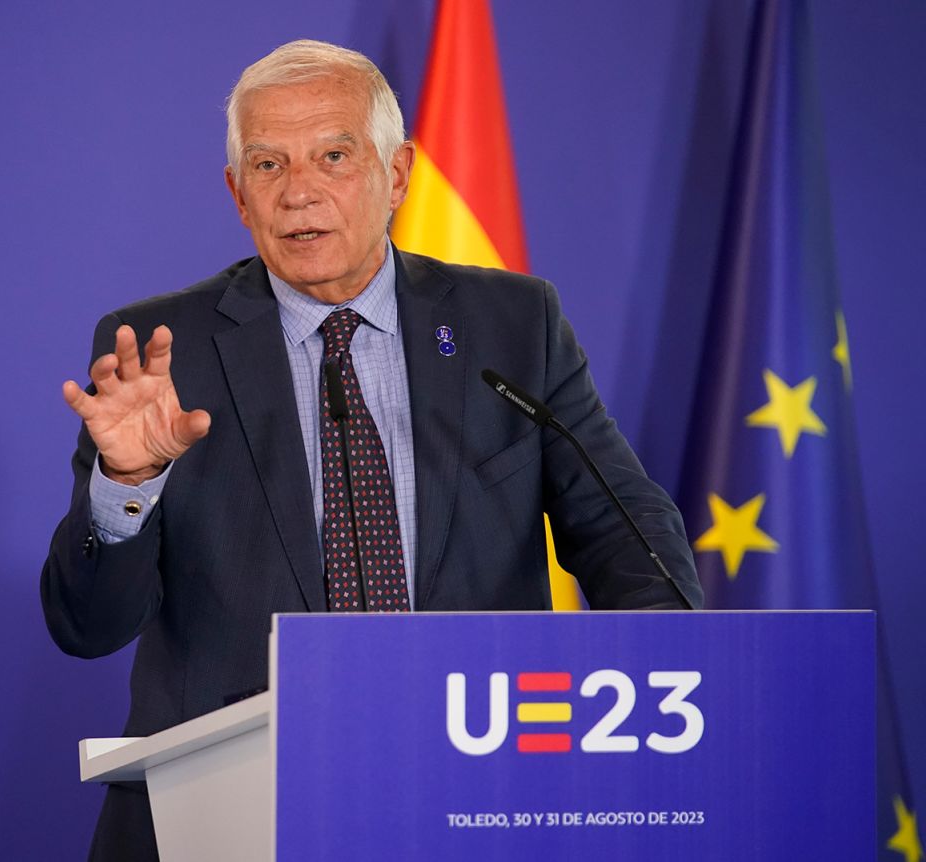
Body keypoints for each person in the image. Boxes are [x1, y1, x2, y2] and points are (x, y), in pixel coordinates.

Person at [42, 39, 702, 861]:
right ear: (237, 196)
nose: (299, 193)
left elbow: (621, 530)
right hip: (228, 812)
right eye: (268, 166)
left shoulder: (512, 325)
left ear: (396, 175)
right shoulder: (163, 352)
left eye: (334, 155)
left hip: (476, 793)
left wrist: (673, 675)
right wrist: (127, 481)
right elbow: (88, 625)